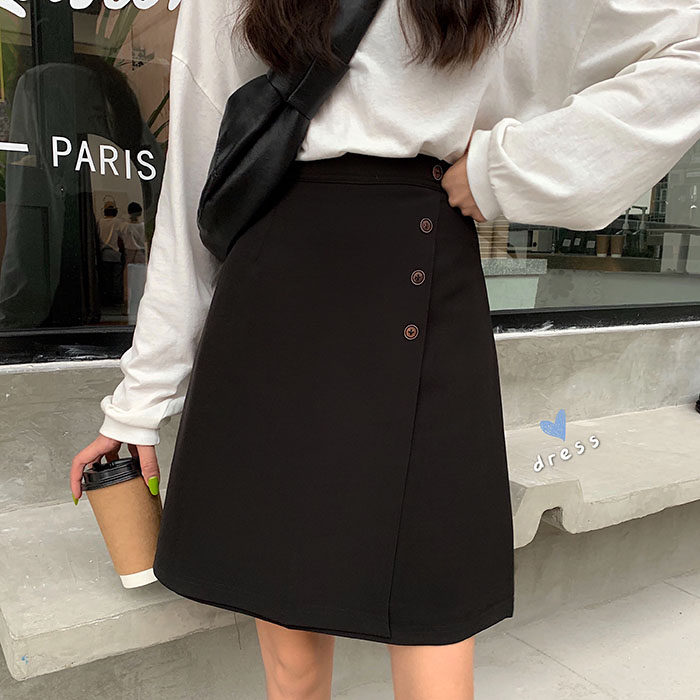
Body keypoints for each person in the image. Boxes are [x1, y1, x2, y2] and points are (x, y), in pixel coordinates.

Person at [70, 1, 700, 697]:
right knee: (292, 662)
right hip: (273, 297)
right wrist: (138, 404)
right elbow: (197, 179)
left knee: (433, 627)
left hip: (423, 276)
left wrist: (507, 167)